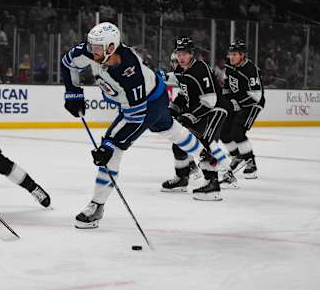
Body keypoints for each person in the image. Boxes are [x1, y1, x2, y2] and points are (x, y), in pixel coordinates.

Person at [61, 22, 217, 229]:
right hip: (157, 95)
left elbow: (135, 117)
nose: (91, 51)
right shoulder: (92, 52)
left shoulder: (129, 71)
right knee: (171, 129)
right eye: (91, 45)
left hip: (147, 105)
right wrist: (73, 92)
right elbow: (68, 63)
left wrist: (108, 145)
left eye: (96, 47)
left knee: (113, 149)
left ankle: (97, 206)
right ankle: (205, 156)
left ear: (110, 48)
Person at [162, 37, 237, 197]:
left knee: (204, 144)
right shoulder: (181, 71)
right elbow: (183, 94)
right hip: (201, 111)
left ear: (191, 54)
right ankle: (182, 178)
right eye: (178, 53)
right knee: (180, 141)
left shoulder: (200, 68)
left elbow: (210, 100)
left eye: (185, 54)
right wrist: (172, 109)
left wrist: (190, 116)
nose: (181, 57)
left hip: (215, 110)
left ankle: (213, 184)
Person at [221, 40, 265, 179]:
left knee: (237, 132)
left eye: (234, 54)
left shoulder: (251, 70)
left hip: (252, 104)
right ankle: (237, 156)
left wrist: (237, 103)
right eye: (230, 54)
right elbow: (227, 87)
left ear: (242, 55)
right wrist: (225, 101)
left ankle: (251, 163)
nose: (231, 57)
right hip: (237, 102)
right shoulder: (229, 66)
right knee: (223, 132)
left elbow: (256, 96)